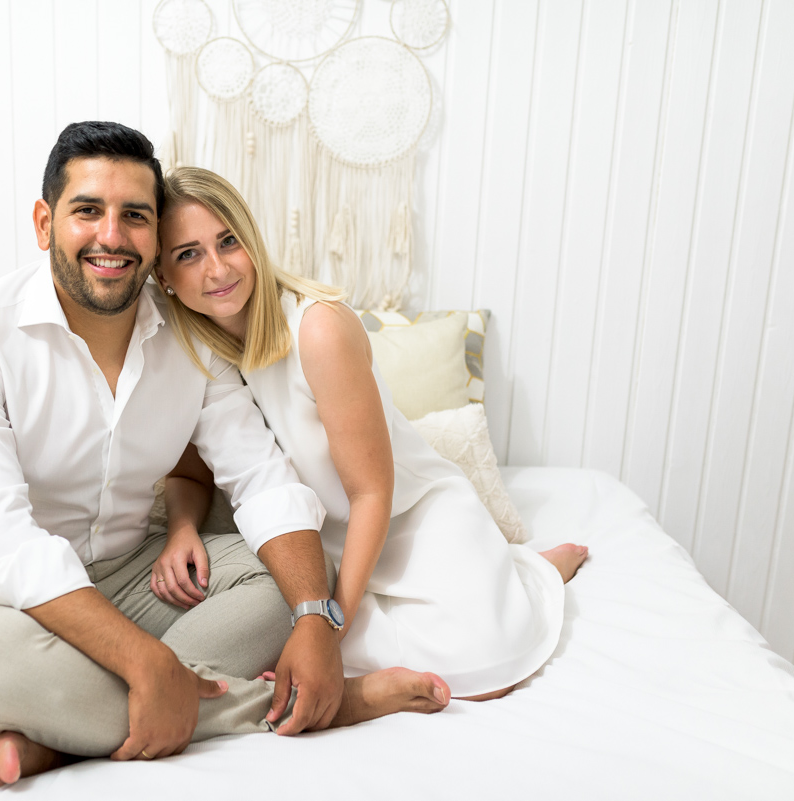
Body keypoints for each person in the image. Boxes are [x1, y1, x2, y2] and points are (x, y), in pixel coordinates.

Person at [0, 122, 449, 791]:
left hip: (126, 574)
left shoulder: (187, 337)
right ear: (45, 223)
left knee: (294, 580)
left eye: (135, 216)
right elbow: (5, 545)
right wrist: (145, 662)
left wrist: (315, 619)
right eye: (87, 210)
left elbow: (262, 478)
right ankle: (310, 706)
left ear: (156, 235)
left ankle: (63, 731)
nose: (111, 235)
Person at [153, 166, 588, 701]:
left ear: (253, 242)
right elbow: (191, 473)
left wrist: (332, 626)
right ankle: (510, 579)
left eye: (228, 242)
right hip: (315, 544)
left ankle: (531, 575)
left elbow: (371, 493)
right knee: (265, 642)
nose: (217, 268)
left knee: (487, 670)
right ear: (163, 276)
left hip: (405, 517)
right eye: (188, 254)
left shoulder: (318, 328)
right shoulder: (192, 352)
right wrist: (180, 529)